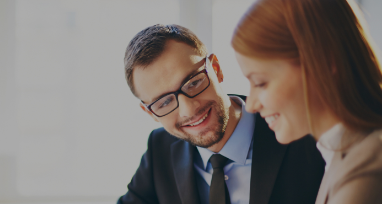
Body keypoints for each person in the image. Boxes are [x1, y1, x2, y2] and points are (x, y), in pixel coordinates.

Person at [118, 24, 324, 204]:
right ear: (150, 113)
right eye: (164, 102)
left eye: (194, 83)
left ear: (216, 69)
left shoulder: (302, 131)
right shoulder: (159, 149)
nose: (189, 110)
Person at [231, 0, 382, 203]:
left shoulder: (365, 171)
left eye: (261, 83)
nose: (250, 105)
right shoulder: (341, 153)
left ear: (324, 62)